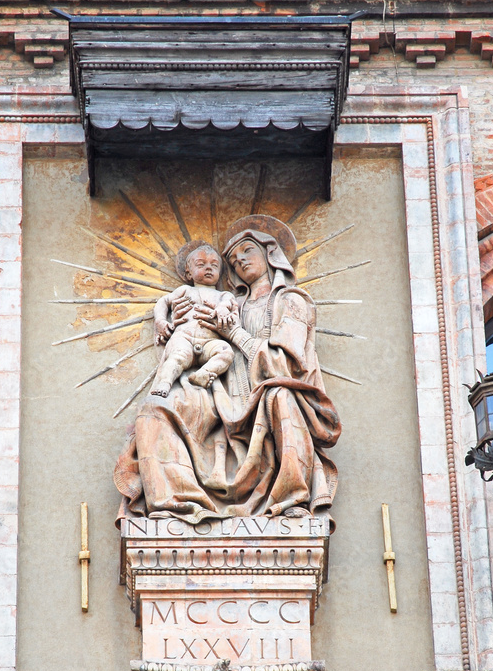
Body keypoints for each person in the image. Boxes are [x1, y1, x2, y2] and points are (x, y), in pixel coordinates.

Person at [115, 214, 341, 523]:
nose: (240, 261)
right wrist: (176, 323)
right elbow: (186, 346)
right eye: (233, 260)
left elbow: (285, 365)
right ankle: (171, 504)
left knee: (280, 395)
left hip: (265, 398)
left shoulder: (291, 301)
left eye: (247, 251)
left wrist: (233, 334)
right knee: (153, 410)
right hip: (218, 392)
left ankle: (290, 498)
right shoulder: (227, 302)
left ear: (270, 252)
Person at [150, 241, 236, 398]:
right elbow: (163, 302)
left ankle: (204, 373)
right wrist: (160, 321)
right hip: (185, 337)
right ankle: (165, 383)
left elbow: (228, 304)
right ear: (189, 273)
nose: (208, 268)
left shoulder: (223, 295)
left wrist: (223, 309)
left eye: (214, 265)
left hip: (210, 341)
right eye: (201, 264)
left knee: (226, 352)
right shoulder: (185, 290)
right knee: (177, 357)